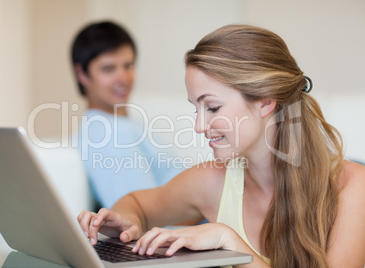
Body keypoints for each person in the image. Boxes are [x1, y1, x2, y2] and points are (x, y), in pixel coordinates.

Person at [77, 24, 365, 267]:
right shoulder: (211, 181)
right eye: (196, 109)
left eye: (212, 108)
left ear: (266, 101)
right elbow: (137, 203)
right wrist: (126, 220)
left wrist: (229, 241)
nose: (199, 126)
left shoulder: (352, 189)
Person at [71, 21, 184, 209]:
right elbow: (146, 217)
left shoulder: (126, 125)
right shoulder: (108, 135)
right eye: (108, 69)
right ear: (81, 73)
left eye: (128, 65)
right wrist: (209, 200)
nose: (123, 78)